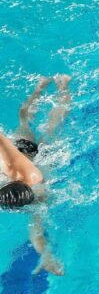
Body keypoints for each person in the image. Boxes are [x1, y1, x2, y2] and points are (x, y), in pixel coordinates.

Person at [0, 75, 71, 276]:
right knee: (27, 118)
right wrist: (45, 255)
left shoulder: (29, 177)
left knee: (51, 124)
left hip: (26, 152)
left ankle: (63, 85)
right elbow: (36, 233)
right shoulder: (33, 197)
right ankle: (42, 86)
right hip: (33, 161)